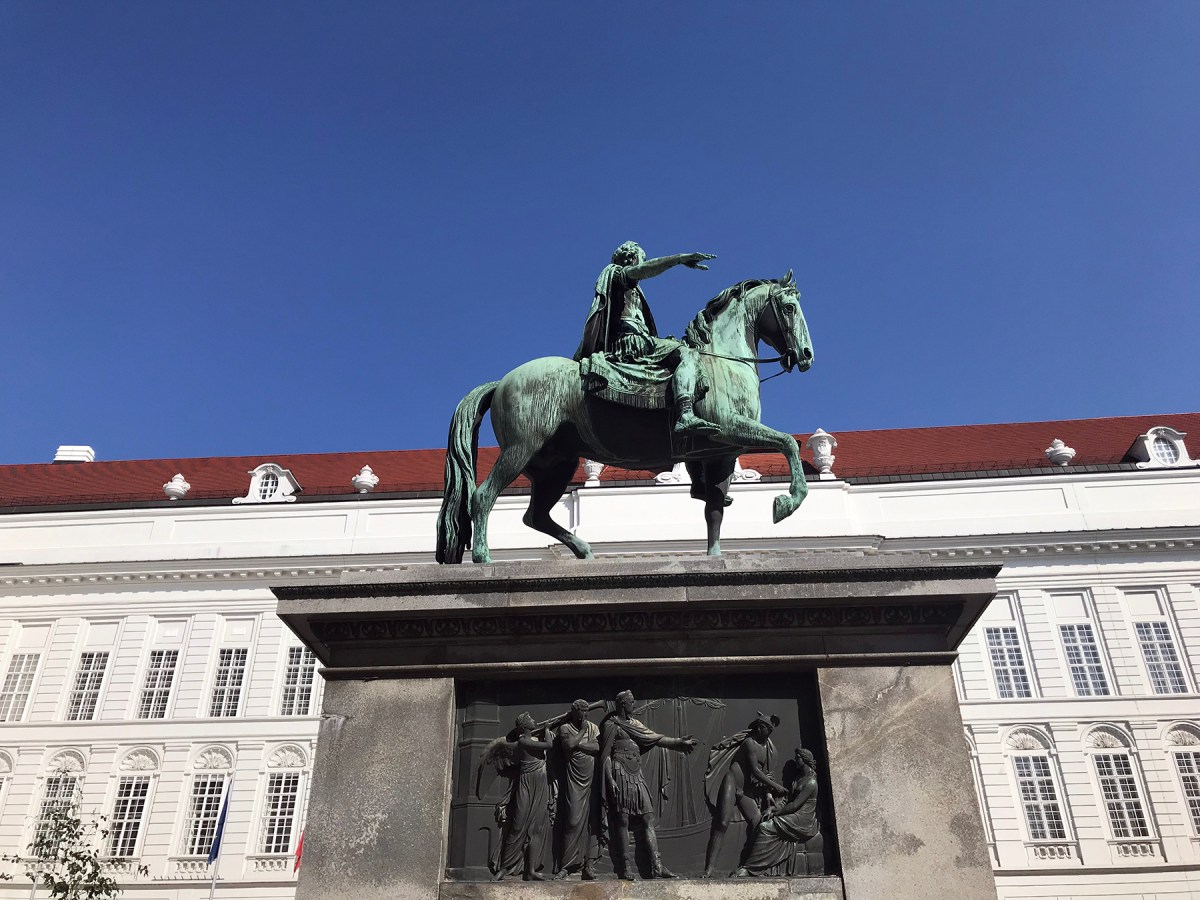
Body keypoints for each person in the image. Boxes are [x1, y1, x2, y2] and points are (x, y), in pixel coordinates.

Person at [574, 241, 721, 435]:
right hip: (630, 341)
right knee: (688, 354)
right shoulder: (617, 274)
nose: (644, 263)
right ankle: (685, 414)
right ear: (631, 258)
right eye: (642, 259)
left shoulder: (635, 290)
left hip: (644, 339)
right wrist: (679, 259)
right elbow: (643, 271)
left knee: (683, 349)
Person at [599, 689, 698, 880]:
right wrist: (610, 779)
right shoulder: (611, 725)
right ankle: (625, 867)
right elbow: (606, 756)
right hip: (620, 772)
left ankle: (657, 866)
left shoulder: (635, 724)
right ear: (623, 704)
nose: (634, 705)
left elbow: (655, 738)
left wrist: (678, 742)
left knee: (648, 818)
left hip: (637, 774)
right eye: (631, 702)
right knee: (623, 820)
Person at [703, 713, 787, 877]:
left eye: (761, 727)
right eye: (757, 726)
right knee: (722, 823)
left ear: (769, 730)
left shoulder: (771, 751)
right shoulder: (750, 743)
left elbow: (767, 775)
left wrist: (769, 793)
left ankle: (748, 867)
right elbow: (755, 771)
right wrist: (776, 786)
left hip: (746, 791)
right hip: (732, 782)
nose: (758, 729)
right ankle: (709, 869)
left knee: (758, 823)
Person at [734, 748, 821, 878]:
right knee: (761, 821)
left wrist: (776, 814)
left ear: (805, 760)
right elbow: (787, 801)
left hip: (804, 819)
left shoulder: (811, 782)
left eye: (798, 757)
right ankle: (760, 866)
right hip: (793, 814)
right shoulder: (798, 779)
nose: (796, 760)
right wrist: (772, 809)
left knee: (766, 827)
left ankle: (750, 868)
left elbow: (795, 805)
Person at [492, 713, 552, 881]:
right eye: (531, 719)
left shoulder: (532, 739)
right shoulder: (523, 741)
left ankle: (531, 870)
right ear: (524, 726)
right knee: (518, 825)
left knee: (536, 827)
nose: (534, 720)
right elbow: (549, 745)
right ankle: (504, 867)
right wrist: (547, 729)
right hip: (527, 783)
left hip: (540, 783)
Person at [553, 699, 602, 880]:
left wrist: (579, 744)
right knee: (573, 820)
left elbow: (597, 747)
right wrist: (582, 733)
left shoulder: (593, 728)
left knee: (593, 820)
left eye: (587, 711)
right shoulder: (565, 728)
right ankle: (567, 865)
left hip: (592, 778)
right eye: (582, 711)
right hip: (574, 778)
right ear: (575, 711)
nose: (585, 714)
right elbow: (568, 745)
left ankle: (589, 864)